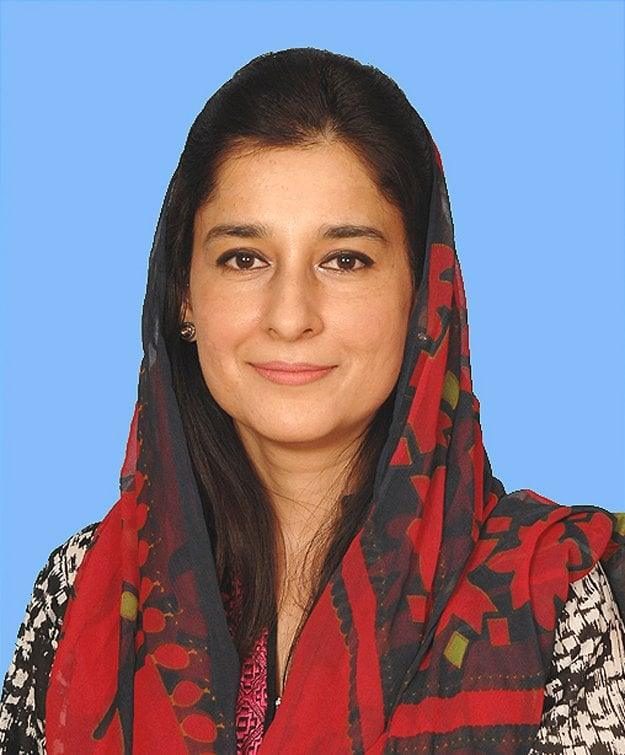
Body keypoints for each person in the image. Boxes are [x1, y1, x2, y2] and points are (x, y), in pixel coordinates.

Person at [1, 46, 624, 755]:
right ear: (184, 297)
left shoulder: (548, 596)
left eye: (344, 260)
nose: (290, 315)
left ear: (425, 298)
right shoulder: (83, 590)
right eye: (244, 258)